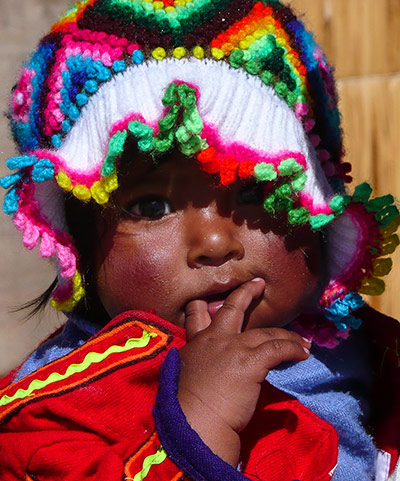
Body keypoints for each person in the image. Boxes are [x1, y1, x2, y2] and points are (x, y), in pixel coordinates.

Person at [0, 1, 399, 480]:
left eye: (254, 190)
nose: (214, 241)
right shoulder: (59, 409)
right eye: (152, 207)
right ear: (77, 246)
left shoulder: (371, 353)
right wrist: (197, 430)